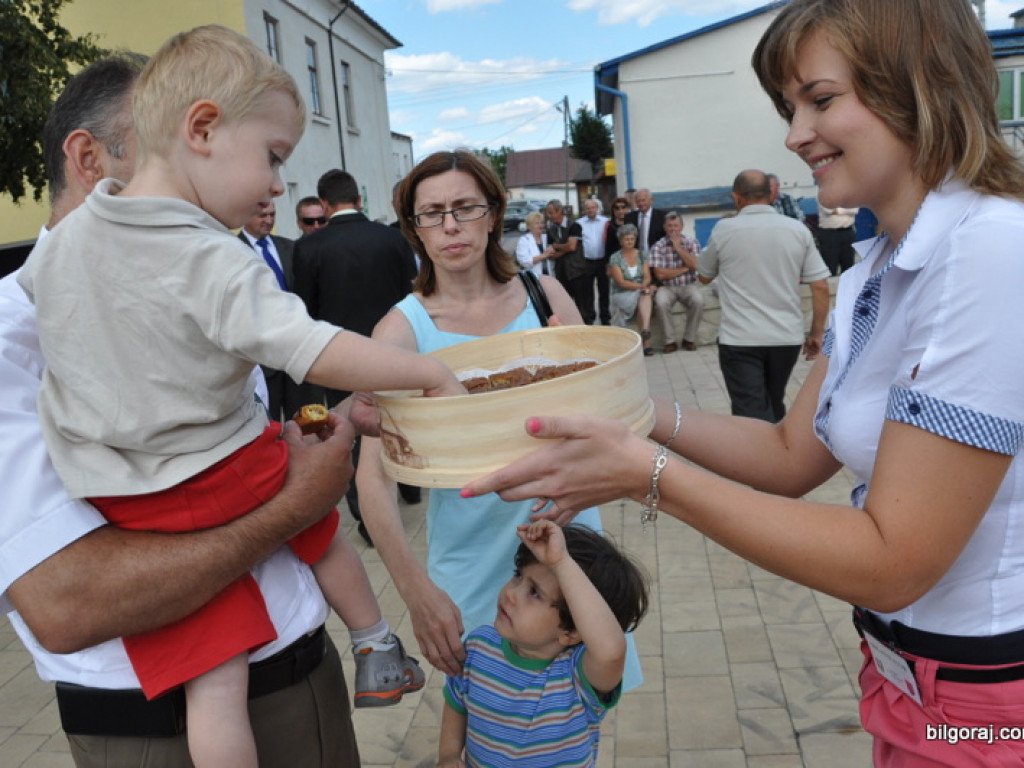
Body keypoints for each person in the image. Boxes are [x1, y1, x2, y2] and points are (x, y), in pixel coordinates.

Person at [465, 0, 1024, 764]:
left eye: (821, 100)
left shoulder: (989, 251)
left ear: (919, 84)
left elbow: (897, 559)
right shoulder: (881, 268)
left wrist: (646, 476)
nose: (794, 135)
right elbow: (793, 453)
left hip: (989, 694)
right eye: (789, 108)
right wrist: (631, 413)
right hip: (910, 677)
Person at [18, 26, 462, 767]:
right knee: (311, 494)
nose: (280, 185)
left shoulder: (65, 242)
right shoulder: (211, 256)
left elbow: (45, 302)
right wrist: (426, 374)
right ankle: (374, 638)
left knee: (214, 688)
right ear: (202, 130)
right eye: (274, 156)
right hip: (218, 472)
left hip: (127, 506)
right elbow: (311, 345)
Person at [357, 150, 641, 692]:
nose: (450, 226)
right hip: (468, 558)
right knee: (483, 715)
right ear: (414, 230)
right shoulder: (402, 331)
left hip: (566, 544)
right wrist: (416, 592)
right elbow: (372, 477)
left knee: (576, 709)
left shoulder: (544, 294)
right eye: (432, 213)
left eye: (464, 207)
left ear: (493, 213)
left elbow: (601, 418)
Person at [437, 521, 649, 768]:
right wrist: (449, 755)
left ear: (571, 632)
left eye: (535, 593)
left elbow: (611, 650)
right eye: (518, 576)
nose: (511, 593)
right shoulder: (477, 647)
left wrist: (561, 563)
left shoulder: (578, 677)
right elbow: (456, 703)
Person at [293, 168, 421, 545]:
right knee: (401, 418)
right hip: (394, 349)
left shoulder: (309, 247)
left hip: (339, 357)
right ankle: (411, 487)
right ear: (359, 200)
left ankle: (366, 516)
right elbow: (409, 294)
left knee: (348, 430)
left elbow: (305, 312)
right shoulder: (391, 239)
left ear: (325, 204)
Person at [697, 170, 829, 422]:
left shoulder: (724, 230)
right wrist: (816, 333)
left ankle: (761, 458)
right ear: (771, 194)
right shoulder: (797, 229)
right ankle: (778, 453)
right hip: (785, 337)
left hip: (740, 339)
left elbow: (703, 276)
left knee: (751, 411)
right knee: (773, 400)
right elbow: (821, 286)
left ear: (735, 197)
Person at [238, 202, 307, 422]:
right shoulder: (232, 250)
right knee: (270, 422)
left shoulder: (289, 247)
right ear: (246, 216)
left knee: (301, 419)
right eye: (262, 215)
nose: (269, 220)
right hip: (260, 356)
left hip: (294, 351)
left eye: (272, 214)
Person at [649, 211, 705, 354]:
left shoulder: (692, 242)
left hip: (688, 284)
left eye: (676, 225)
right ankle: (670, 341)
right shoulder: (658, 246)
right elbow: (660, 274)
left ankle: (689, 339)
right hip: (667, 287)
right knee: (660, 302)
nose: (673, 229)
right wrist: (686, 267)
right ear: (665, 228)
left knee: (698, 300)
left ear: (682, 227)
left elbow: (696, 265)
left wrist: (678, 248)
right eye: (669, 226)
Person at [606, 223, 654, 356]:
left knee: (644, 296)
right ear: (621, 240)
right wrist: (641, 287)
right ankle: (646, 341)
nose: (630, 242)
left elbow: (647, 276)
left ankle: (645, 331)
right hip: (622, 294)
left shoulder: (642, 255)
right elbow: (621, 282)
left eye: (632, 239)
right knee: (645, 294)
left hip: (639, 293)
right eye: (627, 239)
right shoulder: (615, 257)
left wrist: (643, 285)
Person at [544, 199, 589, 309]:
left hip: (577, 271)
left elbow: (572, 246)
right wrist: (566, 248)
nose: (549, 216)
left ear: (559, 211)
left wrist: (558, 246)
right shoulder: (551, 229)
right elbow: (552, 254)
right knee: (565, 305)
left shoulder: (574, 225)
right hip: (561, 273)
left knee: (582, 305)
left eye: (551, 213)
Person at [578, 198, 611, 325]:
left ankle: (605, 317)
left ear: (597, 208)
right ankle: (589, 317)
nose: (590, 210)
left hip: (603, 261)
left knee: (604, 290)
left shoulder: (605, 222)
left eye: (593, 207)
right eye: (588, 208)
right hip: (586, 261)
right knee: (588, 291)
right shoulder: (579, 223)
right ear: (584, 210)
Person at [816, 190, 859, 275]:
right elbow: (829, 210)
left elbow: (855, 209)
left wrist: (838, 210)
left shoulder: (850, 191)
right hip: (830, 234)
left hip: (848, 232)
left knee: (849, 267)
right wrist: (847, 208)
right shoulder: (822, 192)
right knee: (830, 267)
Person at [514, 210, 557, 277]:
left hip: (550, 277)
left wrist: (553, 251)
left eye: (542, 223)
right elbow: (524, 262)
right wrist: (544, 255)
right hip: (534, 278)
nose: (540, 225)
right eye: (537, 223)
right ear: (529, 226)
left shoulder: (547, 237)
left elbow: (554, 256)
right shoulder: (524, 240)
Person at [624, 188, 666, 255]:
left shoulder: (662, 216)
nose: (641, 203)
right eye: (638, 201)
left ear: (651, 200)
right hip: (636, 258)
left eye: (643, 200)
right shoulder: (629, 217)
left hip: (657, 257)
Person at [603, 196, 631, 261]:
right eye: (617, 208)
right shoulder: (609, 225)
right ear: (613, 210)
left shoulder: (632, 223)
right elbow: (608, 247)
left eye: (623, 207)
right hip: (615, 260)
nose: (621, 211)